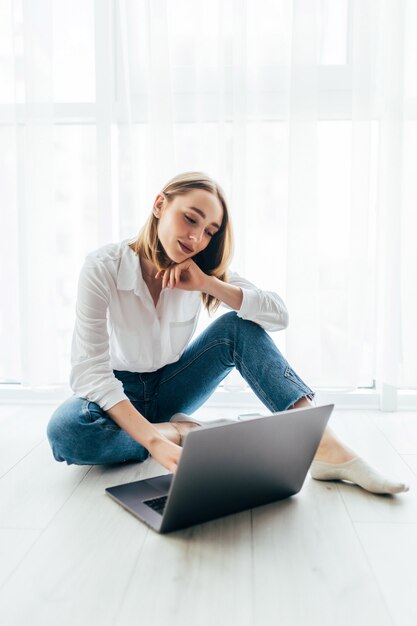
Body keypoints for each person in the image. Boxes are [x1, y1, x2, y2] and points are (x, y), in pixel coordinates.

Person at [47, 171, 409, 495]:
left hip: (172, 385)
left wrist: (210, 284)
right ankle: (182, 432)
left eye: (209, 231)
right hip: (116, 393)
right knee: (67, 433)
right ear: (160, 204)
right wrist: (159, 441)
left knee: (238, 325)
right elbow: (90, 372)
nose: (196, 237)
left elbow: (278, 315)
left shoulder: (200, 271)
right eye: (190, 219)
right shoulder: (103, 267)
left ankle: (326, 447)